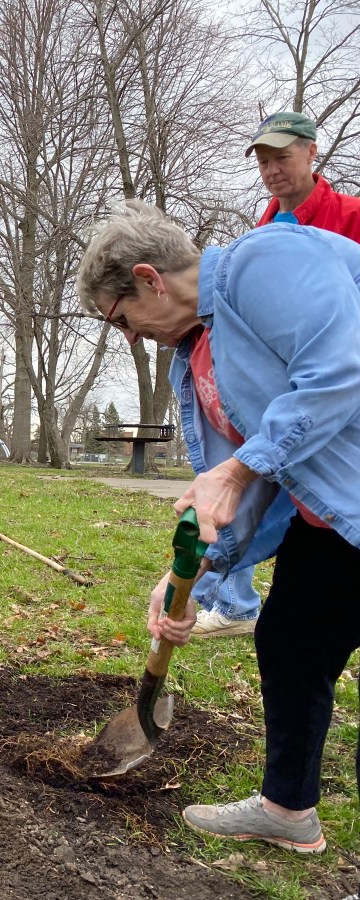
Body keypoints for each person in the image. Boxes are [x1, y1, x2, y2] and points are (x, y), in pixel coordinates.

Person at [77, 199, 360, 856]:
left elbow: (340, 370)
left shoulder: (267, 261)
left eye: (120, 318)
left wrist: (238, 468)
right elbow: (252, 480)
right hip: (334, 518)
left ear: (149, 278)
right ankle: (288, 810)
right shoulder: (200, 351)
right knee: (291, 642)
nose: (128, 337)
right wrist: (191, 579)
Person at [191, 110, 360, 638]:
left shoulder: (350, 218)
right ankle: (230, 596)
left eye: (281, 158)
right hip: (285, 410)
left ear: (312, 153)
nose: (271, 171)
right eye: (263, 162)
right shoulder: (261, 234)